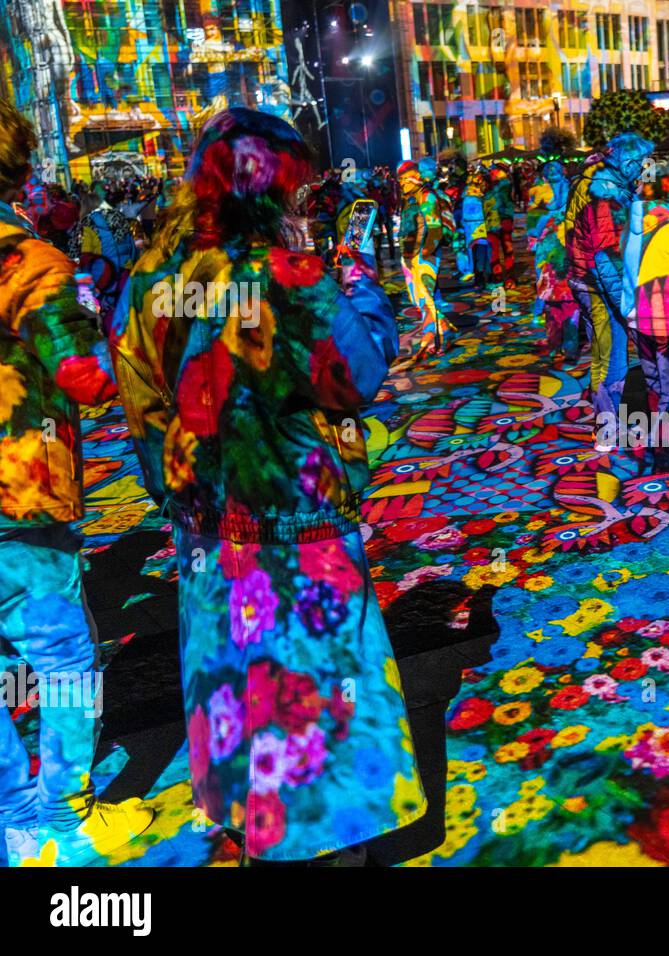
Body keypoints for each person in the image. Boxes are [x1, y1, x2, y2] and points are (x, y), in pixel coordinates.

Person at [112, 108, 424, 865]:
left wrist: (173, 489)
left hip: (208, 524)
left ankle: (248, 815)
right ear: (270, 187)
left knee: (231, 675)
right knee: (322, 684)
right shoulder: (284, 274)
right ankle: (325, 837)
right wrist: (356, 287)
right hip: (299, 516)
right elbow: (358, 379)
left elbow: (136, 391)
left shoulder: (153, 275)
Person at [0, 97, 154, 867]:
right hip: (17, 498)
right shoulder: (24, 260)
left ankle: (14, 818)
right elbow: (86, 375)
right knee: (60, 662)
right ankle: (65, 816)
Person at [565, 131, 655, 438]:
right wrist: (626, 306)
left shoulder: (607, 185)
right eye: (640, 162)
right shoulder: (607, 195)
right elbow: (607, 258)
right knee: (610, 355)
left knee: (611, 353)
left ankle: (610, 419)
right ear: (627, 161)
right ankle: (606, 425)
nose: (643, 167)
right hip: (597, 285)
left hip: (590, 280)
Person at [621, 170, 669, 472]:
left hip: (638, 316)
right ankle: (668, 456)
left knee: (656, 385)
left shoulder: (632, 225)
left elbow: (626, 271)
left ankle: (658, 446)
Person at [396, 159, 451, 360]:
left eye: (403, 179)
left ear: (415, 177)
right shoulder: (410, 198)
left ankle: (438, 336)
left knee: (426, 296)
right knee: (421, 298)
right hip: (410, 256)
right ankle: (436, 331)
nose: (401, 184)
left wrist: (424, 254)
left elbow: (434, 228)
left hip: (423, 256)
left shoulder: (427, 197)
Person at [527, 159, 580, 365]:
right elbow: (533, 229)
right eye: (549, 169)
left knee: (569, 301)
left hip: (568, 252)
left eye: (556, 168)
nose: (552, 171)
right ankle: (556, 344)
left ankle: (568, 346)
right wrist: (550, 218)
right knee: (552, 302)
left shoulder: (574, 191)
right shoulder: (537, 192)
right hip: (548, 255)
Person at [72, 180, 138, 325]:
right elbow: (133, 249)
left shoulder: (86, 227)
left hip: (105, 283)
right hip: (126, 277)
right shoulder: (119, 220)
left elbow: (83, 262)